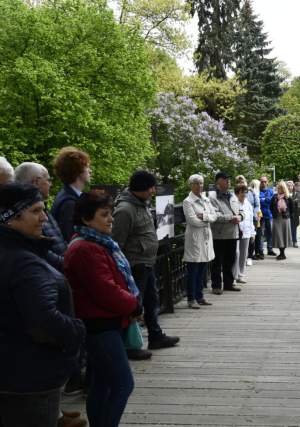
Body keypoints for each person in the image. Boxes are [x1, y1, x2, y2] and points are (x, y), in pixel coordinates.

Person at [0, 183, 85, 427]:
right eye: (36, 211)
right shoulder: (25, 263)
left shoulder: (19, 252)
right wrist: (77, 331)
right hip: (29, 380)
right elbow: (43, 320)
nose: (44, 218)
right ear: (10, 217)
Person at [64, 191, 141, 427]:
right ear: (87, 218)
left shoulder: (96, 242)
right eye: (104, 214)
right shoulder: (86, 248)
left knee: (102, 383)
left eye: (110, 214)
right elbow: (106, 290)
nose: (111, 219)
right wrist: (134, 303)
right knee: (122, 384)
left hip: (101, 322)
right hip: (99, 325)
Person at [112, 170, 180, 360]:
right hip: (135, 265)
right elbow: (117, 242)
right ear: (141, 188)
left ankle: (155, 336)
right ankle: (130, 345)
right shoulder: (125, 210)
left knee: (151, 301)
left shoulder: (141, 204)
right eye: (150, 187)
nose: (153, 191)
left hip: (147, 262)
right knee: (134, 305)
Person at [15, 162, 67, 272]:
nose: (50, 184)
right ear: (36, 181)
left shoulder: (43, 209)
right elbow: (44, 253)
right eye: (48, 180)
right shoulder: (25, 214)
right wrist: (72, 264)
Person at [182, 174, 217, 309]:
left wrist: (204, 217)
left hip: (206, 237)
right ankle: (191, 298)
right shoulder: (187, 202)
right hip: (195, 238)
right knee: (193, 270)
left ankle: (200, 296)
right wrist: (207, 220)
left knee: (202, 269)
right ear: (191, 185)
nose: (199, 186)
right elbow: (193, 221)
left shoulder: (206, 199)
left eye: (201, 183)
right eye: (196, 183)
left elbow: (214, 216)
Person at [209, 171, 243, 294]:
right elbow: (214, 215)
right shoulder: (212, 197)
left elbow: (240, 211)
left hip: (233, 233)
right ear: (218, 182)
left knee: (230, 260)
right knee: (217, 262)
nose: (228, 181)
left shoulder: (232, 195)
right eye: (225, 179)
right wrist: (231, 218)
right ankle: (216, 286)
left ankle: (228, 284)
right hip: (219, 235)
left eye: (228, 179)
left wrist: (240, 217)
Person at [51, 147, 91, 242]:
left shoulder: (67, 195)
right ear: (77, 171)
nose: (90, 171)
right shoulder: (69, 202)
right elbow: (70, 238)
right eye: (87, 167)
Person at [233, 184, 255, 283]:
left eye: (245, 192)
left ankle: (240, 275)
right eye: (242, 192)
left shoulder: (248, 204)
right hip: (236, 232)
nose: (244, 194)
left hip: (246, 232)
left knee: (243, 254)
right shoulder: (233, 203)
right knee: (236, 253)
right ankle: (234, 275)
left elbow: (251, 219)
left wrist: (252, 233)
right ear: (237, 193)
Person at [269, 180, 294, 260]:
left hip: (285, 219)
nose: (279, 189)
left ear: (284, 188)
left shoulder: (288, 197)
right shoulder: (274, 197)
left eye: (281, 188)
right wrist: (274, 212)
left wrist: (288, 215)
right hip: (277, 218)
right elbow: (270, 206)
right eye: (279, 188)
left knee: (284, 236)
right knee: (278, 236)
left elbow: (292, 209)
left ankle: (282, 253)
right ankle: (281, 253)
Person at [257, 176, 275, 257]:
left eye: (265, 181)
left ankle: (270, 249)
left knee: (270, 233)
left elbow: (271, 201)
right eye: (262, 181)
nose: (263, 183)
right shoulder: (257, 191)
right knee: (261, 233)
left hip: (269, 215)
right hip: (260, 216)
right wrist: (265, 200)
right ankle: (261, 250)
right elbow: (261, 201)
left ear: (267, 182)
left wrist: (263, 200)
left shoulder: (271, 191)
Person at [247, 179, 262, 263]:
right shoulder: (252, 193)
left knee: (254, 236)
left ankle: (252, 253)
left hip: (254, 216)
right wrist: (257, 216)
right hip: (253, 217)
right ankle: (250, 254)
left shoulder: (253, 192)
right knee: (252, 236)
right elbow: (256, 205)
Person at [287, 180, 300, 248]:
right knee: (287, 228)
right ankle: (288, 241)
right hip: (287, 214)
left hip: (294, 214)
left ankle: (294, 241)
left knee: (293, 228)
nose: (289, 187)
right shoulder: (285, 194)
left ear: (293, 186)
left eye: (291, 186)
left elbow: (296, 203)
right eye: (288, 186)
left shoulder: (296, 194)